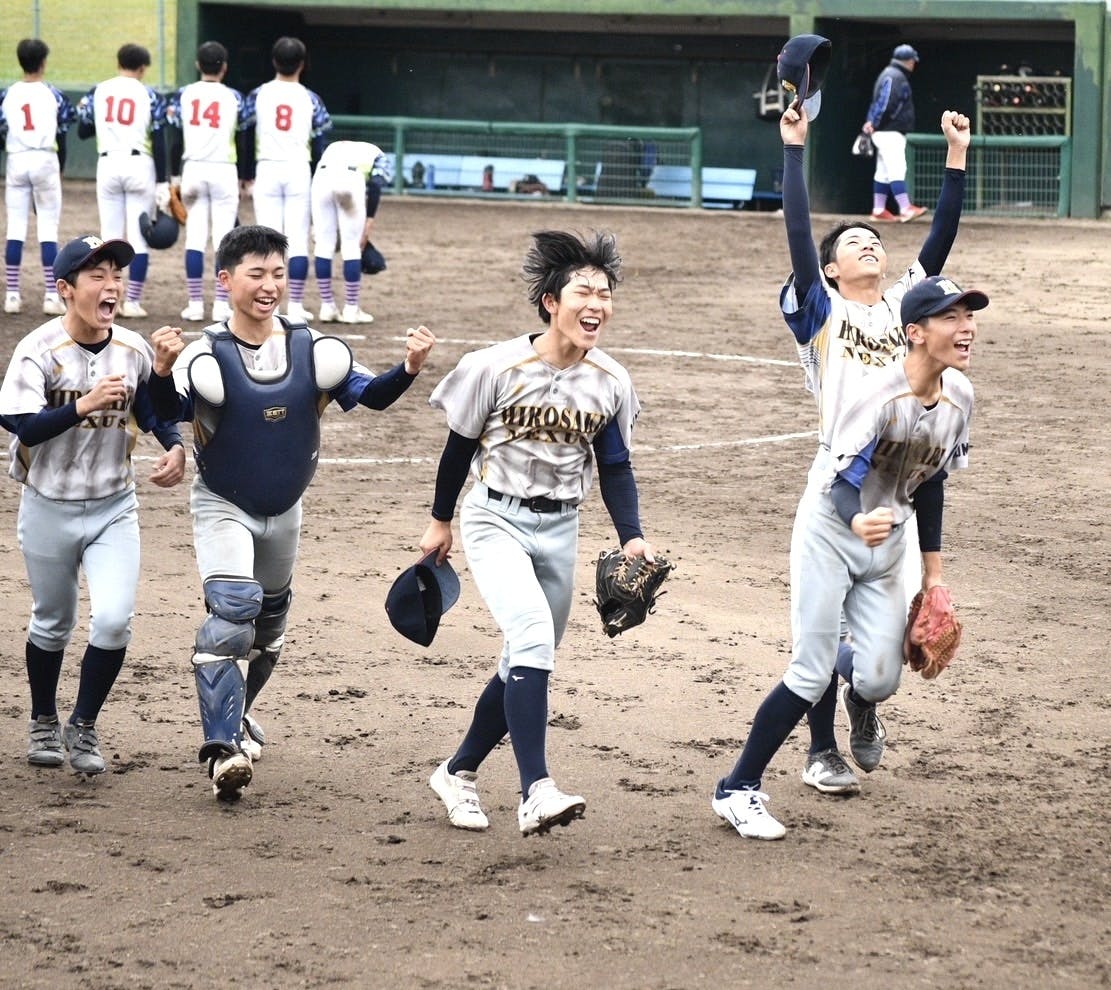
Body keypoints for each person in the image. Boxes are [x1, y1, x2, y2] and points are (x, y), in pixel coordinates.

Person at [711, 102, 972, 838]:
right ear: (830, 268)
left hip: (896, 501)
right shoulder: (822, 311)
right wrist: (794, 149)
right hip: (837, 492)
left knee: (882, 672)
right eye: (852, 242)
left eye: (873, 239)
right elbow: (800, 237)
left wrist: (955, 158)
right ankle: (780, 766)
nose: (867, 244)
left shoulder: (906, 314)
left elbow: (940, 245)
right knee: (811, 656)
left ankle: (859, 695)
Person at [147, 224, 435, 800]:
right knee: (234, 609)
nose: (269, 285)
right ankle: (222, 749)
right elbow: (164, 411)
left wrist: (408, 367)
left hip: (285, 507)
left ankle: (237, 715)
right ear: (225, 280)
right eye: (256, 274)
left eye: (278, 273)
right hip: (223, 501)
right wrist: (159, 369)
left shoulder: (313, 348)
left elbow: (371, 397)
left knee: (270, 624)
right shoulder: (202, 354)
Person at [418, 229, 662, 836]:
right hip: (494, 518)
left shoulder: (610, 379)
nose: (597, 304)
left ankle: (457, 772)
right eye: (584, 292)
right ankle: (536, 791)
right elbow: (458, 449)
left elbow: (615, 466)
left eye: (605, 294)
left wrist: (632, 536)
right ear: (551, 302)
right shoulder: (494, 366)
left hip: (561, 529)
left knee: (524, 658)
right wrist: (440, 520)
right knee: (530, 635)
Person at [0, 234, 185, 774]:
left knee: (112, 622)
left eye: (117, 276)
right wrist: (82, 405)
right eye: (97, 276)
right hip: (48, 504)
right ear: (66, 289)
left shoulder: (133, 348)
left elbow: (157, 410)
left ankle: (83, 724)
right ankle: (42, 718)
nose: (111, 286)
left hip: (113, 506)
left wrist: (173, 442)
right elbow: (21, 424)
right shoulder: (38, 349)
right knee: (53, 621)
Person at [75, 43, 169, 318]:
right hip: (139, 164)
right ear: (142, 68)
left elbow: (82, 131)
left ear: (118, 63)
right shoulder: (149, 94)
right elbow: (160, 140)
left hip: (107, 163)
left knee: (109, 237)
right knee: (139, 237)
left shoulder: (98, 90)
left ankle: (108, 301)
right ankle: (133, 302)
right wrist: (163, 181)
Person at [242, 37, 331, 323]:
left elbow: (246, 135)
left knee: (266, 238)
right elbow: (320, 143)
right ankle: (296, 304)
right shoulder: (311, 98)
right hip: (298, 168)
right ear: (302, 64)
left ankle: (267, 301)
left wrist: (245, 174)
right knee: (298, 239)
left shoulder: (258, 94)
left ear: (274, 61)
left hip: (267, 167)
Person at [165, 41, 250, 324]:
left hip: (193, 168)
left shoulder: (183, 94)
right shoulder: (235, 97)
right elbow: (243, 138)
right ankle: (221, 305)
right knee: (224, 239)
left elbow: (175, 140)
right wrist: (245, 176)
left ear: (197, 65)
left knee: (195, 238)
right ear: (224, 67)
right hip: (224, 169)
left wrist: (174, 176)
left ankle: (195, 304)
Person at [1, 38, 76, 317]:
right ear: (43, 62)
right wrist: (61, 168)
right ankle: (50, 295)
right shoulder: (53, 94)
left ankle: (12, 296)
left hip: (17, 158)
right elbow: (63, 135)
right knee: (47, 229)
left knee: (15, 227)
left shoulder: (8, 94)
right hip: (45, 159)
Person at [310, 139, 391, 324]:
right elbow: (376, 186)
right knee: (351, 246)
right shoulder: (378, 155)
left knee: (324, 245)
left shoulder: (333, 147)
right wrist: (369, 221)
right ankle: (351, 309)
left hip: (320, 180)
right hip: (350, 180)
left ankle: (327, 307)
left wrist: (314, 223)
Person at [861, 44, 926, 223]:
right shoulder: (895, 76)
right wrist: (875, 122)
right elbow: (886, 103)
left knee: (883, 171)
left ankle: (879, 209)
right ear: (908, 61)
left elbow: (880, 103)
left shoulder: (890, 73)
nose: (914, 63)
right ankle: (905, 208)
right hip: (889, 131)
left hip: (884, 131)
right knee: (897, 168)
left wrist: (872, 122)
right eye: (912, 60)